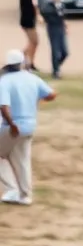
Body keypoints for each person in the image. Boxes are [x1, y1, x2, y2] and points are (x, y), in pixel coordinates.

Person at [0, 48, 57, 205]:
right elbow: (51, 94)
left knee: (3, 155)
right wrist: (35, 100)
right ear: (22, 63)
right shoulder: (32, 78)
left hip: (12, 126)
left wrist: (11, 124)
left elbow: (4, 107)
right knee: (22, 159)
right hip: (30, 124)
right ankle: (25, 195)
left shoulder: (4, 81)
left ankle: (11, 190)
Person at [40, 0, 68, 79]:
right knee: (55, 50)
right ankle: (56, 71)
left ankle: (56, 66)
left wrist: (65, 26)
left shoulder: (62, 5)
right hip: (53, 29)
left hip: (61, 29)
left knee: (65, 51)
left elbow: (62, 17)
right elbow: (45, 15)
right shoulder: (48, 7)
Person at [18, 0, 39, 73]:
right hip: (28, 22)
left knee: (33, 42)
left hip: (30, 21)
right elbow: (29, 9)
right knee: (33, 41)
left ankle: (30, 61)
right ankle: (25, 60)